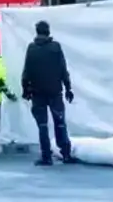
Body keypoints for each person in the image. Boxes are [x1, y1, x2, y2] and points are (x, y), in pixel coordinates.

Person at [20, 20, 76, 166]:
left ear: (37, 31)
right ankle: (65, 153)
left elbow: (27, 72)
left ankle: (46, 156)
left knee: (42, 125)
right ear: (48, 31)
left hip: (37, 92)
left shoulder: (31, 48)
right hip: (55, 91)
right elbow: (63, 69)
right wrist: (68, 88)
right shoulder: (55, 47)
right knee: (60, 122)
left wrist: (25, 89)